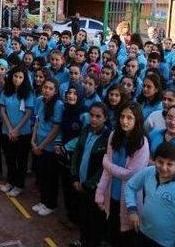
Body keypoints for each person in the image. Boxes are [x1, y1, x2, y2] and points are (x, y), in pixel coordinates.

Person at [95, 103, 149, 247]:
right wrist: (100, 191)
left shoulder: (141, 143)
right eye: (122, 116)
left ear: (137, 120)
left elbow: (131, 174)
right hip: (112, 194)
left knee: (126, 236)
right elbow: (108, 172)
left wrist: (106, 163)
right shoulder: (114, 136)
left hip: (129, 199)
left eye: (129, 118)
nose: (124, 121)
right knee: (111, 232)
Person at [125, 142, 175, 247]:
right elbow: (130, 186)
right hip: (143, 233)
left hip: (167, 243)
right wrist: (132, 210)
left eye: (169, 164)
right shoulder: (149, 172)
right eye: (160, 162)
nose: (163, 167)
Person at [70, 103, 110, 247]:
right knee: (83, 216)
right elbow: (77, 153)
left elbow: (103, 167)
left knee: (94, 220)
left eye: (98, 116)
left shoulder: (107, 137)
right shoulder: (86, 129)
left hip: (94, 188)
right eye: (91, 115)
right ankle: (82, 240)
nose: (93, 119)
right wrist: (74, 177)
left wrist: (88, 185)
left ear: (105, 118)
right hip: (80, 182)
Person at [0, 66, 35, 197]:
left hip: (23, 133)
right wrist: (9, 129)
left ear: (24, 79)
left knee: (21, 160)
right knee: (9, 158)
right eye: (15, 76)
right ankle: (10, 181)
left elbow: (28, 113)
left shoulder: (28, 94)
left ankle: (19, 185)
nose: (17, 79)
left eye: (20, 77)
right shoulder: (6, 92)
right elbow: (2, 110)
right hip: (7, 131)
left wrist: (17, 130)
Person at [31, 77, 65, 216]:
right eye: (45, 87)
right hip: (38, 143)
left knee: (50, 176)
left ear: (56, 91)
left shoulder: (58, 105)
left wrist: (42, 146)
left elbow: (56, 128)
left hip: (49, 147)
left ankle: (51, 204)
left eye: (51, 88)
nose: (47, 90)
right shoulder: (39, 100)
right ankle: (43, 201)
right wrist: (33, 140)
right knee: (41, 175)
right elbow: (37, 121)